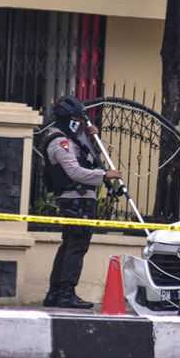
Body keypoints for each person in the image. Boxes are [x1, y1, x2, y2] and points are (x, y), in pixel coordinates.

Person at [42, 95, 121, 309]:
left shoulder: (73, 137)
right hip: (75, 199)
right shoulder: (60, 141)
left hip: (82, 198)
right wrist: (104, 175)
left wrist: (91, 136)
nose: (82, 123)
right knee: (76, 246)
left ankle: (55, 293)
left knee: (70, 245)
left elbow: (87, 157)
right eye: (78, 119)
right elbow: (75, 172)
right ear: (69, 118)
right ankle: (65, 294)